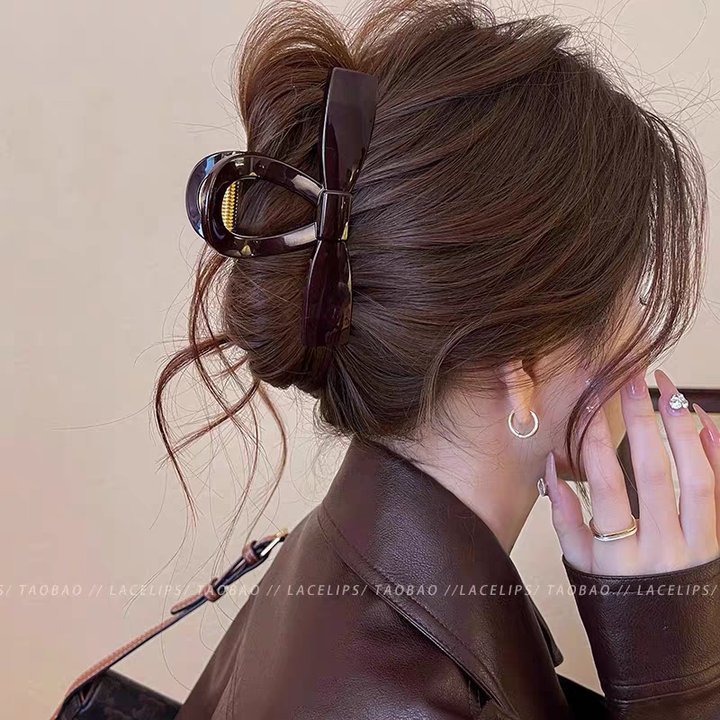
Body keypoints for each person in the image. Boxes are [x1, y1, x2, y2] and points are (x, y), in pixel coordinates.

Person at [158, 0, 720, 717]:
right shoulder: (408, 697)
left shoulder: (336, 556)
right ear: (522, 366)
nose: (645, 332)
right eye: (626, 292)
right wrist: (677, 688)